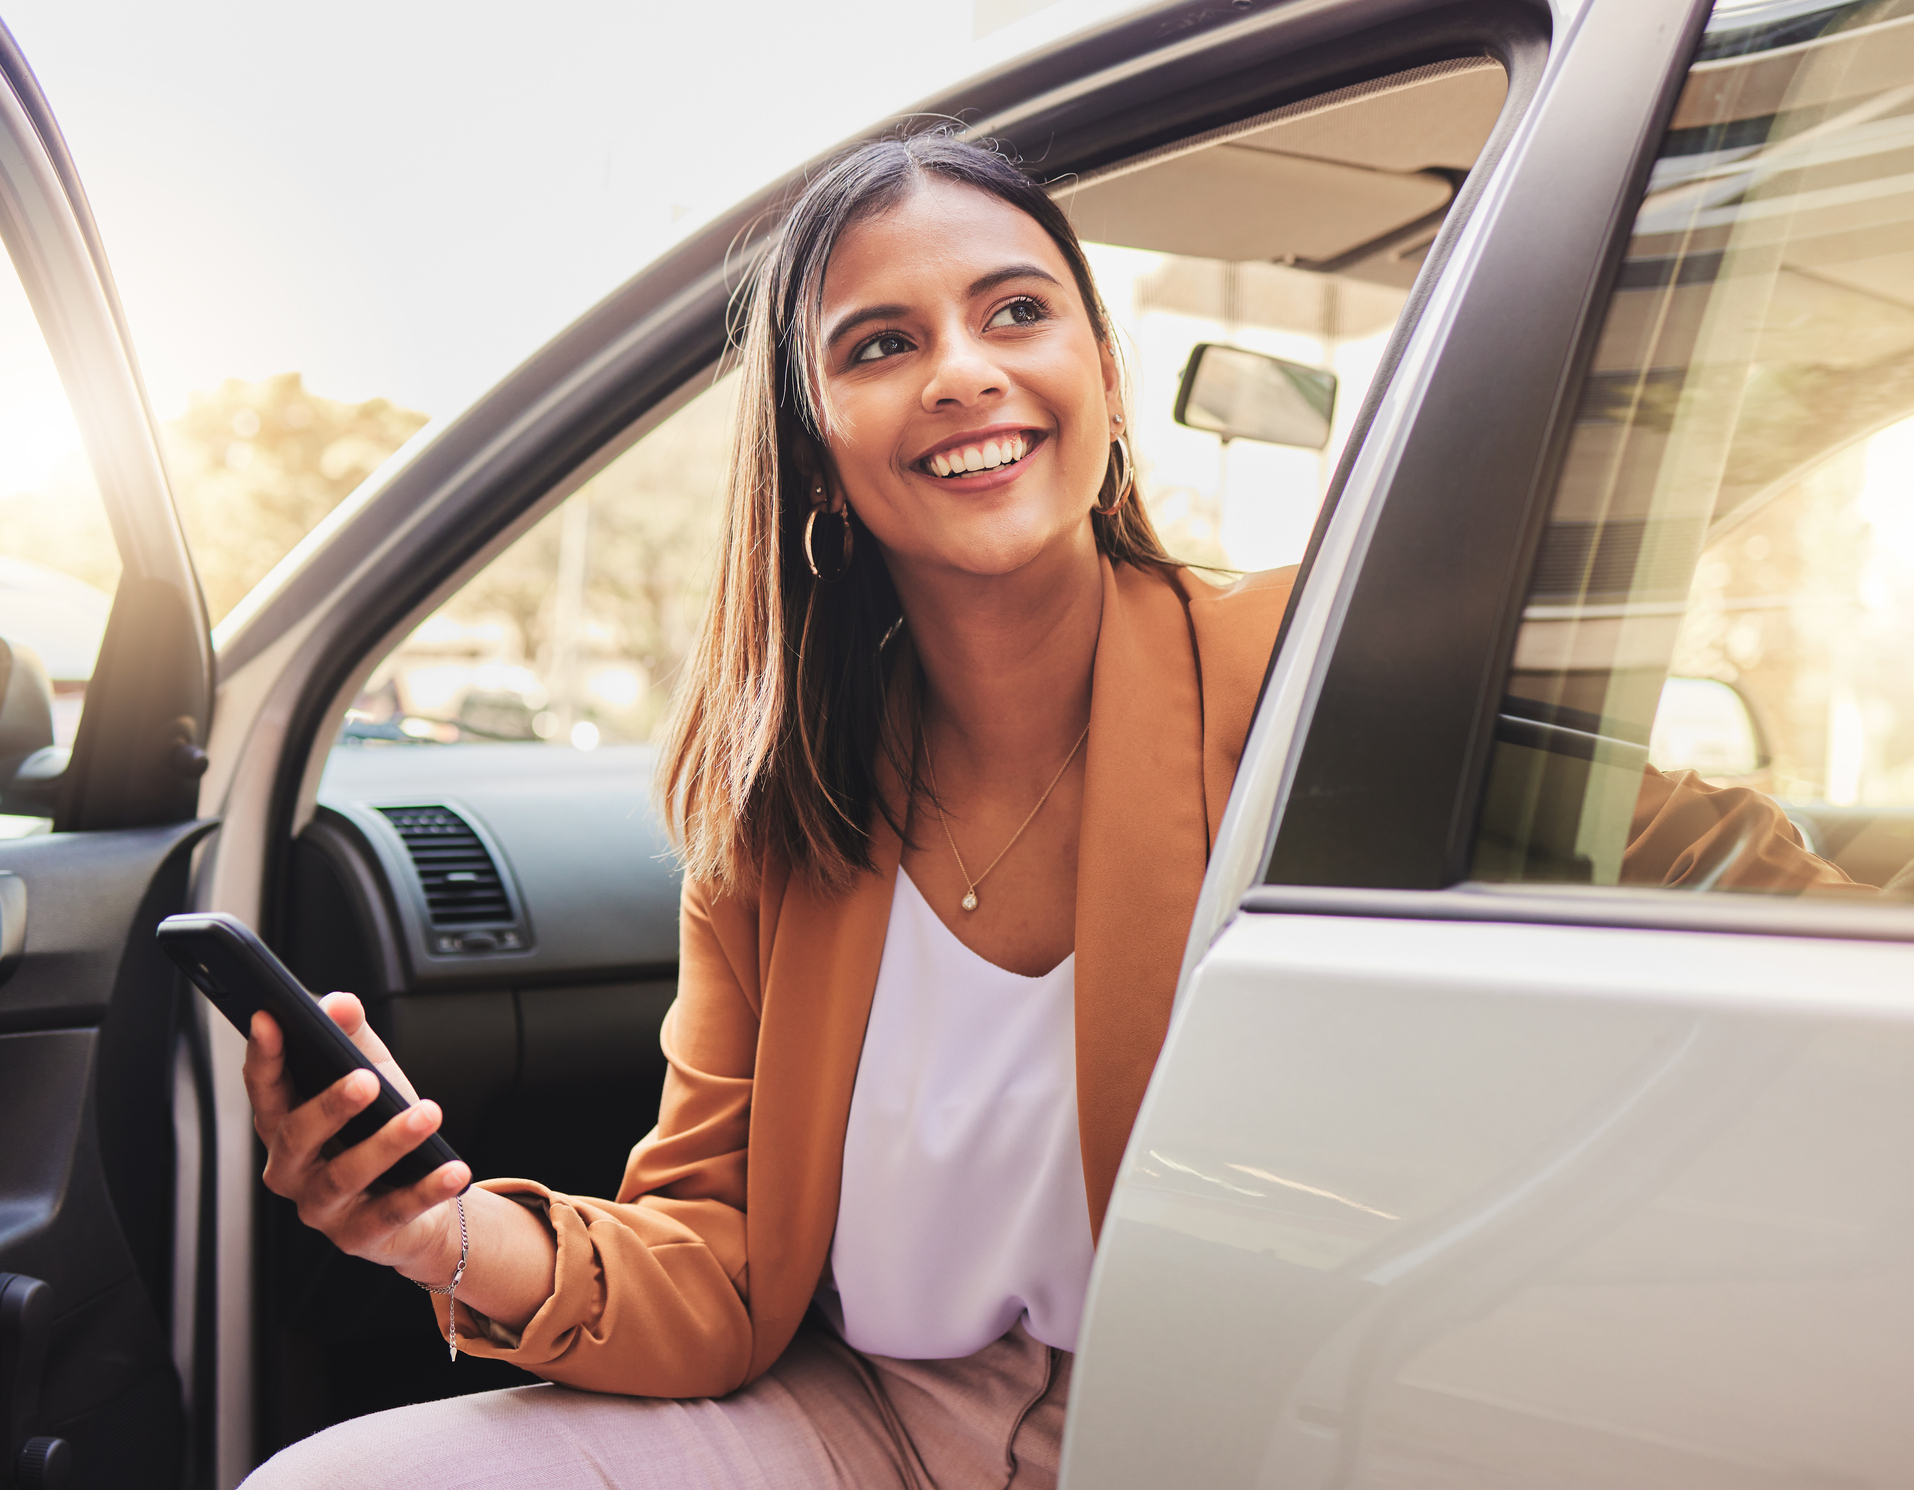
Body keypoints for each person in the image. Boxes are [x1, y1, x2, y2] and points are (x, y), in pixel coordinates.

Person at [242, 130, 1297, 1489]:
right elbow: (711, 1255)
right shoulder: (775, 820)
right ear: (813, 453)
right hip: (874, 1420)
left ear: (1102, 366)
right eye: (880, 345)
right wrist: (434, 1230)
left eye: (1015, 312)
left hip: (1223, 1430)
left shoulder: (1298, 667)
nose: (962, 371)